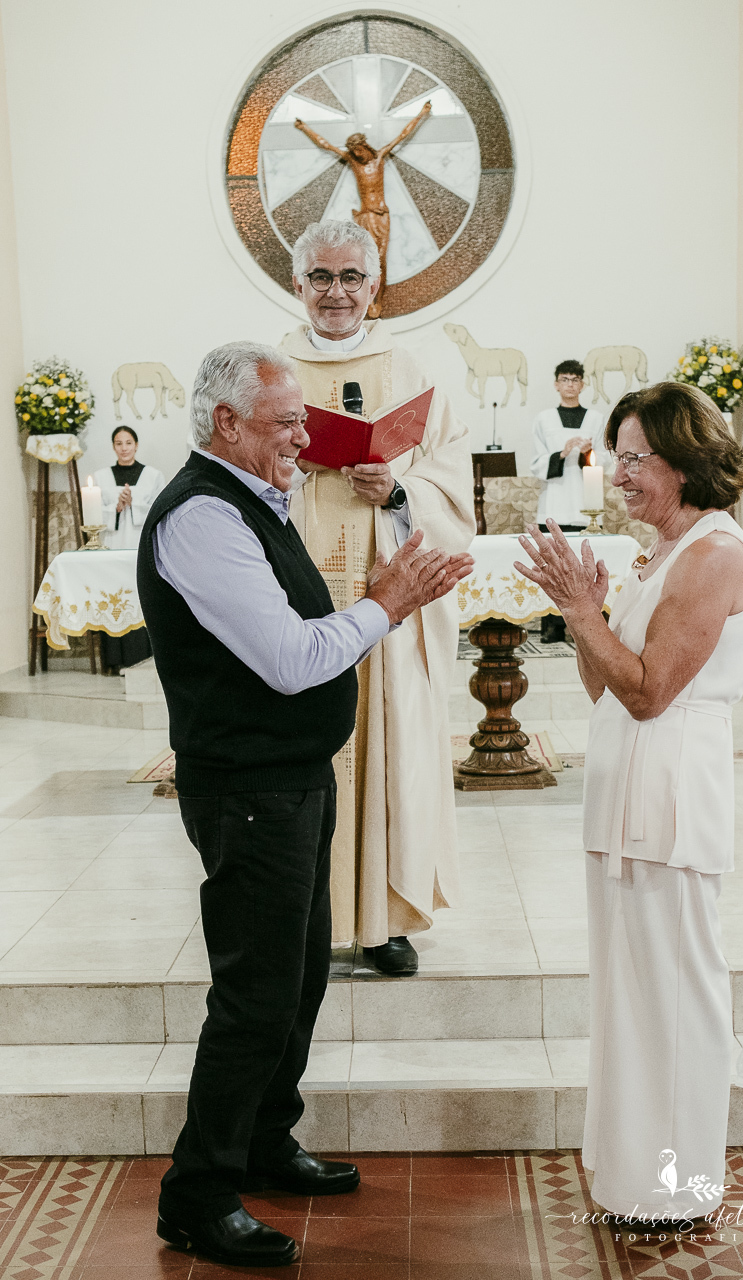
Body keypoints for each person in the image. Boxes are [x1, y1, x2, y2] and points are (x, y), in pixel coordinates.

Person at [137, 341, 472, 1267]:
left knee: (297, 981)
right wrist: (385, 604)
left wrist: (384, 601)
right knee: (254, 997)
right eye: (286, 422)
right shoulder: (202, 517)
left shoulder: (255, 497)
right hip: (247, 786)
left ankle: (261, 1140)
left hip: (289, 777)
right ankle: (196, 1194)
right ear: (225, 423)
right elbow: (290, 661)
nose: (302, 438)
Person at [515, 382, 743, 1229]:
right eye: (613, 457)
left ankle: (679, 1184)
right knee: (630, 993)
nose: (616, 474)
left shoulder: (712, 554)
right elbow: (606, 688)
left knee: (675, 992)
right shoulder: (661, 552)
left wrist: (584, 610)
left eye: (632, 458)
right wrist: (580, 614)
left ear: (684, 459)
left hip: (671, 788)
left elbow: (651, 692)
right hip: (626, 782)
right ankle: (634, 1176)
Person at [280, 219, 475, 976]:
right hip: (292, 594)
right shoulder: (268, 370)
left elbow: (450, 474)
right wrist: (290, 470)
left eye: (351, 277)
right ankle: (306, 918)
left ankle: (382, 921)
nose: (336, 293)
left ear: (375, 283)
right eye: (321, 277)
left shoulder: (413, 366)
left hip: (387, 598)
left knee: (389, 746)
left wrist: (398, 490)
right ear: (298, 284)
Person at [294, 102, 432, 317]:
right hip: (365, 215)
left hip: (381, 215)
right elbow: (326, 145)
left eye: (359, 149)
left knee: (381, 258)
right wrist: (305, 128)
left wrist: (422, 113)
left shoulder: (379, 158)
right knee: (366, 259)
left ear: (365, 146)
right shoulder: (353, 162)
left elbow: (403, 135)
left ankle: (378, 300)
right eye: (354, 151)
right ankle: (366, 300)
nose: (357, 154)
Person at [529, 360, 606, 642]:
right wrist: (561, 454)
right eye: (565, 379)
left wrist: (587, 452)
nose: (570, 384)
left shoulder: (596, 419)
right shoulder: (544, 419)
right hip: (555, 500)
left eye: (575, 379)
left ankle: (586, 624)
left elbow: (605, 459)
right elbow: (536, 463)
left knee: (584, 564)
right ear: (556, 384)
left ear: (582, 384)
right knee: (553, 565)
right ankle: (552, 625)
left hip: (586, 502)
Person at [93, 425, 165, 669]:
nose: (124, 448)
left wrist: (135, 505)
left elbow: (158, 510)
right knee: (112, 599)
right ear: (113, 447)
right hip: (112, 546)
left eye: (128, 443)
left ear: (136, 445)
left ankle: (142, 659)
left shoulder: (153, 476)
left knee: (139, 599)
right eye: (119, 443)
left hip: (139, 547)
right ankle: (114, 661)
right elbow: (92, 513)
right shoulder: (101, 477)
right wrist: (116, 507)